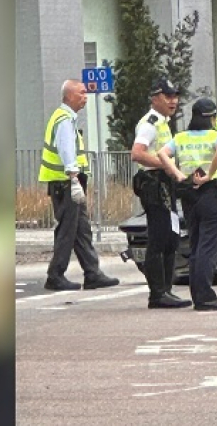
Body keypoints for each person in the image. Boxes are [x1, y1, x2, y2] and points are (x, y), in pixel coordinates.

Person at [39, 80, 119, 291]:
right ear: (69, 96)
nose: (86, 96)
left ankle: (92, 273)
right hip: (65, 182)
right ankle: (55, 275)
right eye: (82, 93)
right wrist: (74, 178)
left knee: (82, 229)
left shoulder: (66, 118)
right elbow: (66, 150)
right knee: (68, 229)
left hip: (67, 182)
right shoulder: (64, 120)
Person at [161, 97, 217, 311]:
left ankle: (197, 294)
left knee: (195, 243)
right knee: (208, 246)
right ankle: (205, 296)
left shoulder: (181, 137)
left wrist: (178, 175)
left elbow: (162, 154)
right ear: (211, 117)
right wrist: (210, 173)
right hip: (210, 191)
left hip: (188, 192)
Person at [130, 77, 190, 309]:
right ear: (155, 98)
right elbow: (137, 153)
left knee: (171, 237)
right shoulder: (150, 123)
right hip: (153, 183)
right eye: (168, 96)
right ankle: (157, 293)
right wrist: (165, 164)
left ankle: (166, 289)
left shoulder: (163, 122)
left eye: (175, 96)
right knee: (159, 236)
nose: (173, 101)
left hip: (165, 182)